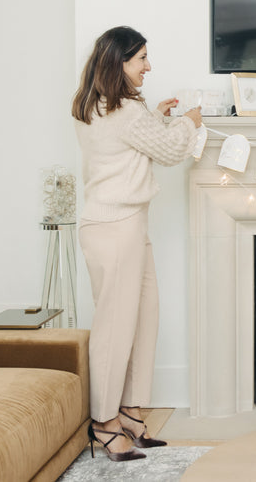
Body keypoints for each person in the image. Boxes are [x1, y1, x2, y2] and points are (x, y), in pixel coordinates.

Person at [71, 26, 205, 462]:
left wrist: (161, 120)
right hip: (114, 227)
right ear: (121, 62)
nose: (149, 67)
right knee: (115, 330)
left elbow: (134, 149)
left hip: (127, 225)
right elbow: (166, 152)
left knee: (144, 319)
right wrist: (187, 122)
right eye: (142, 59)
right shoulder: (124, 111)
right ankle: (104, 422)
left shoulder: (103, 106)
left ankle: (129, 410)